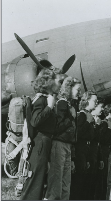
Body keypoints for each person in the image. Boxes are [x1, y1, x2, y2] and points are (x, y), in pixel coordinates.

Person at [20, 69, 67, 200]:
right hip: (40, 144)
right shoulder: (42, 100)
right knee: (34, 185)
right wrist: (49, 107)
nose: (60, 85)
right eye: (59, 81)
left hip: (44, 143)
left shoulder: (47, 99)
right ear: (48, 82)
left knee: (39, 185)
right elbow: (35, 121)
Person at [44, 76, 81, 200]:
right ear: (69, 88)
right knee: (56, 183)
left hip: (67, 145)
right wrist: (70, 119)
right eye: (77, 89)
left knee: (66, 182)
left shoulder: (69, 105)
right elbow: (57, 127)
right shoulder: (61, 103)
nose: (79, 92)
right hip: (59, 144)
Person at [69, 90, 98, 200]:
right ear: (87, 101)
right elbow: (78, 133)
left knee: (86, 183)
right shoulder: (82, 115)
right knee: (79, 184)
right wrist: (87, 122)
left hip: (87, 152)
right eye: (94, 100)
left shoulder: (88, 115)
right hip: (81, 152)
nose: (96, 103)